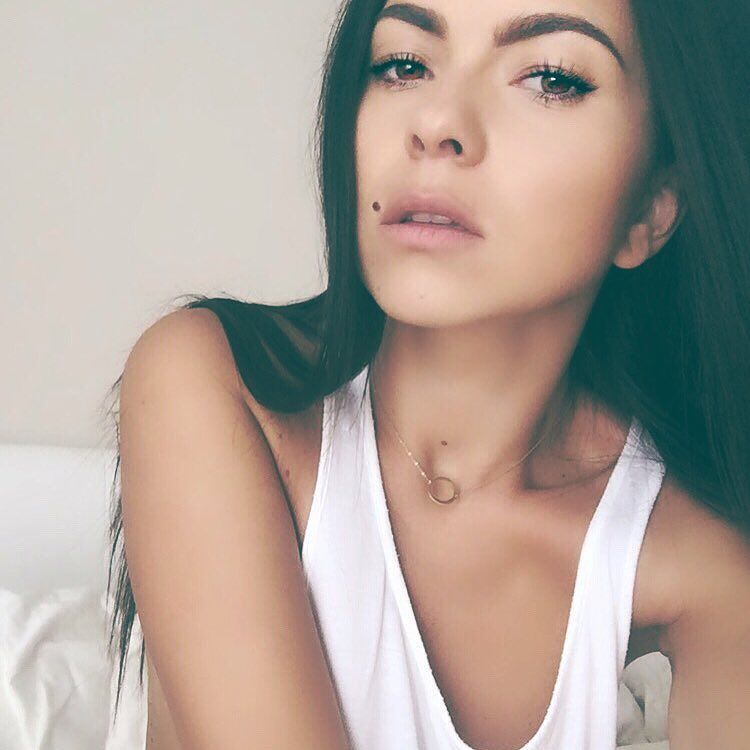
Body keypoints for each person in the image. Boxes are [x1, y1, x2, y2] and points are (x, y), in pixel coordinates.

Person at [104, 0, 750, 748]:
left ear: (652, 208)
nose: (437, 121)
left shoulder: (697, 554)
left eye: (550, 78)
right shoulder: (213, 385)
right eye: (403, 65)